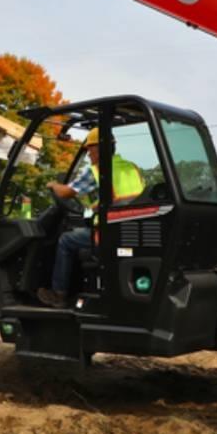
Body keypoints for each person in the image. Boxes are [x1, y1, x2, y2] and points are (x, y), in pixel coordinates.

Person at [37, 127, 143, 308]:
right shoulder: (131, 168)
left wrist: (53, 185)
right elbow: (125, 198)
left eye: (89, 149)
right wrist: (96, 207)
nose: (88, 155)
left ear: (99, 148)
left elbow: (66, 192)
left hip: (107, 234)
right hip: (132, 230)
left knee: (65, 240)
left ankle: (59, 294)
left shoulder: (98, 169)